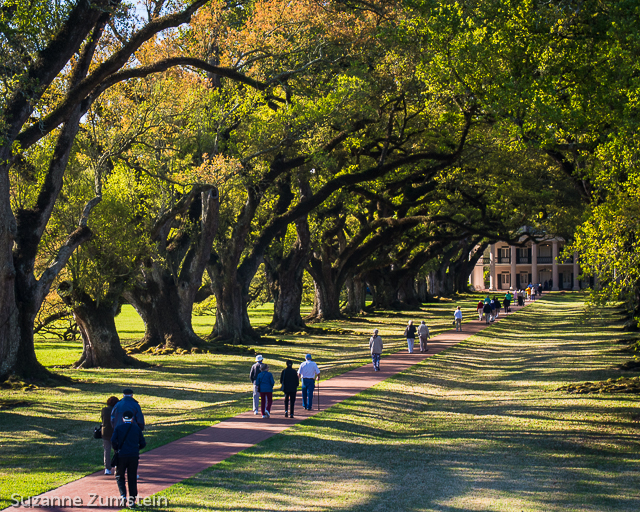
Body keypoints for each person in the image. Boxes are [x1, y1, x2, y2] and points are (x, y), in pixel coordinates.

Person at [111, 410, 146, 508]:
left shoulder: (118, 428)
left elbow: (113, 441)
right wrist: (136, 449)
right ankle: (132, 501)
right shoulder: (136, 429)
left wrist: (117, 449)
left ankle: (123, 496)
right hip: (133, 456)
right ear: (132, 418)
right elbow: (143, 443)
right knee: (132, 477)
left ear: (123, 418)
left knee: (119, 476)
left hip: (121, 456)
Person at [102, 396, 119, 475]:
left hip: (106, 432)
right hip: (115, 432)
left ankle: (107, 468)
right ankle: (117, 466)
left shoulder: (104, 410)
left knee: (107, 450)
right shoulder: (117, 410)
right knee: (117, 450)